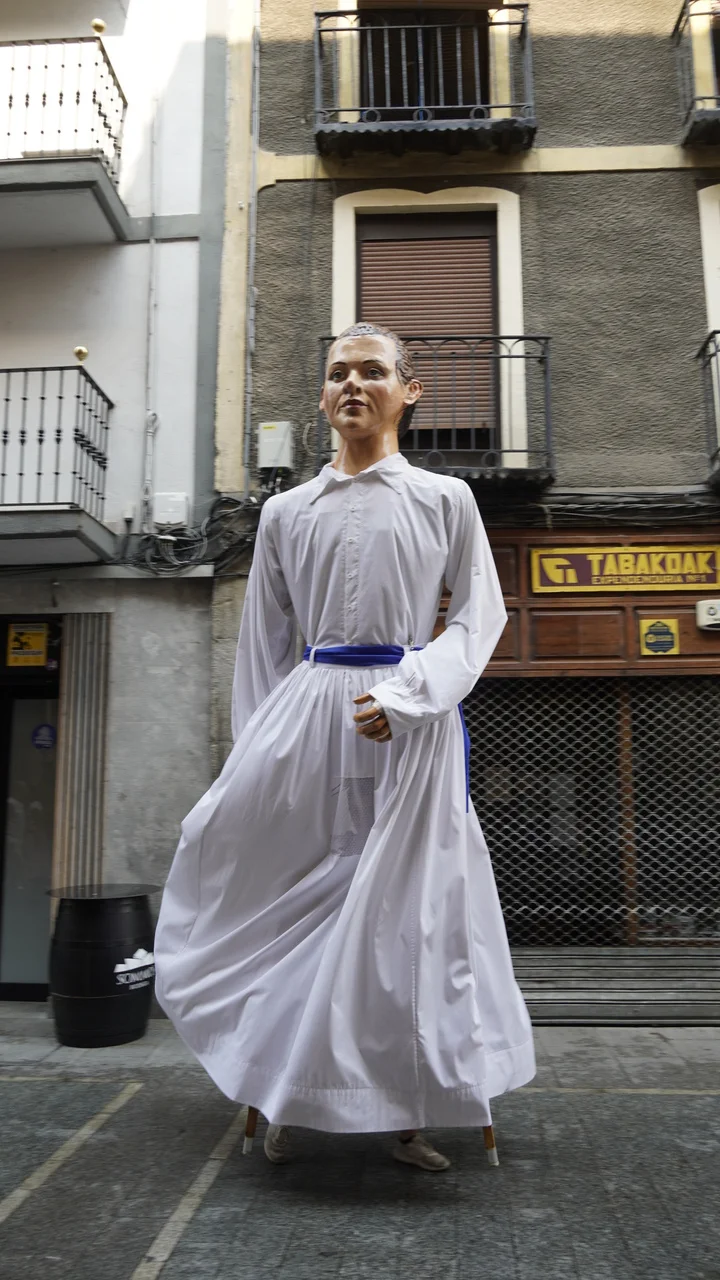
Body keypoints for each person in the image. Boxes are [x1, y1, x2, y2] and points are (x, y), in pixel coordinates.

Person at [155, 322, 535, 1172]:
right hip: (309, 720)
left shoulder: (446, 499)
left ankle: (405, 1113)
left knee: (404, 916)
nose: (352, 384)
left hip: (410, 727)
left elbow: (479, 617)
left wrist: (411, 695)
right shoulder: (285, 512)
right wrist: (256, 757)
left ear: (409, 391)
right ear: (323, 396)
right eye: (337, 373)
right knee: (291, 904)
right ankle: (288, 1088)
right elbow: (264, 643)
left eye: (371, 370)